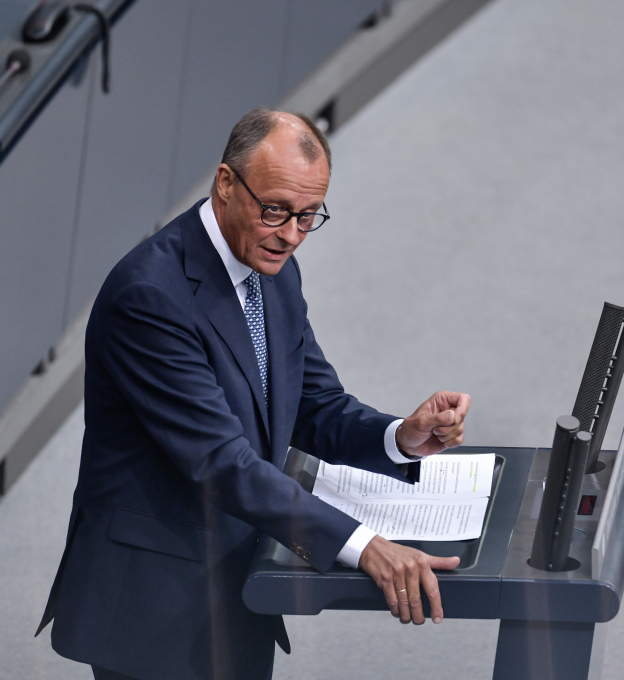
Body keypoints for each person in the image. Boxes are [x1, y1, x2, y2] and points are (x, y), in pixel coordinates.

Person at [36, 108, 471, 680]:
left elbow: (312, 404)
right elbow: (223, 463)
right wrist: (365, 546)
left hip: (238, 586)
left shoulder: (272, 269)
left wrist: (399, 436)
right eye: (276, 211)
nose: (291, 235)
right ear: (225, 184)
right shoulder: (150, 299)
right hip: (154, 609)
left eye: (308, 216)